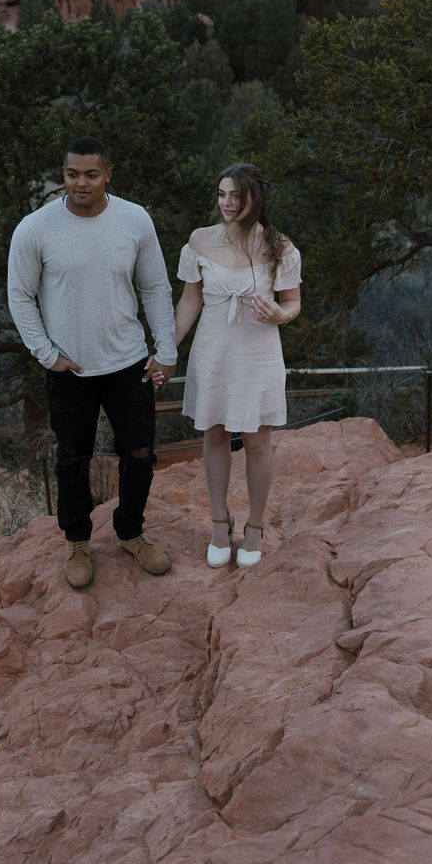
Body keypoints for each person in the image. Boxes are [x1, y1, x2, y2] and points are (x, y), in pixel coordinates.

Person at [7, 136, 177, 589]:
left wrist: (167, 350)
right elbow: (19, 296)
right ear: (62, 174)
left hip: (128, 364)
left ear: (108, 174)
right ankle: (77, 541)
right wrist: (47, 354)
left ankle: (131, 532)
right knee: (71, 459)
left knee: (139, 454)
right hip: (71, 371)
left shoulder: (134, 220)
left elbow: (156, 287)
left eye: (91, 174)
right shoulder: (35, 228)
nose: (81, 183)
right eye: (71, 174)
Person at [174, 162, 301, 567]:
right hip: (213, 347)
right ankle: (218, 522)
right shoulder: (200, 240)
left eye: (236, 196)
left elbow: (293, 302)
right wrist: (166, 349)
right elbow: (190, 299)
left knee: (257, 439)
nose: (227, 203)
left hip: (258, 349)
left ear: (254, 199)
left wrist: (282, 315)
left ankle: (256, 527)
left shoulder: (280, 247)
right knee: (213, 433)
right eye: (221, 194)